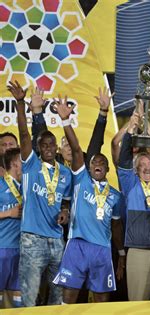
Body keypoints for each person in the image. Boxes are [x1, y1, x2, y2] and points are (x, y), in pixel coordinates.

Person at [51, 96, 125, 303]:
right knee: (69, 298)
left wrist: (121, 253)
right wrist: (65, 121)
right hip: (77, 245)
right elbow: (76, 149)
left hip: (102, 249)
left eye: (102, 162)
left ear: (107, 169)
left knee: (101, 301)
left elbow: (117, 225)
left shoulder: (116, 195)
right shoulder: (81, 178)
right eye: (94, 162)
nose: (98, 163)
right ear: (89, 167)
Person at [8, 81, 72, 306]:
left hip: (56, 239)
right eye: (43, 145)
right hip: (32, 238)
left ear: (56, 147)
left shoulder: (65, 173)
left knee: (57, 294)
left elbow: (65, 201)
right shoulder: (30, 164)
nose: (47, 148)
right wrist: (19, 103)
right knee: (30, 295)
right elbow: (24, 135)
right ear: (37, 148)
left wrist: (65, 210)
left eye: (50, 145)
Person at [117, 110, 150, 301]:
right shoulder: (130, 184)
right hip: (138, 252)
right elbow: (123, 157)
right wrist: (130, 130)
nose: (147, 167)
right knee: (138, 305)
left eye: (149, 164)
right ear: (135, 170)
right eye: (141, 165)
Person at [0, 148, 22, 308]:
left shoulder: (27, 186)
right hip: (2, 248)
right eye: (24, 162)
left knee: (17, 300)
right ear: (15, 163)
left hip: (22, 251)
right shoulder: (0, 184)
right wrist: (9, 212)